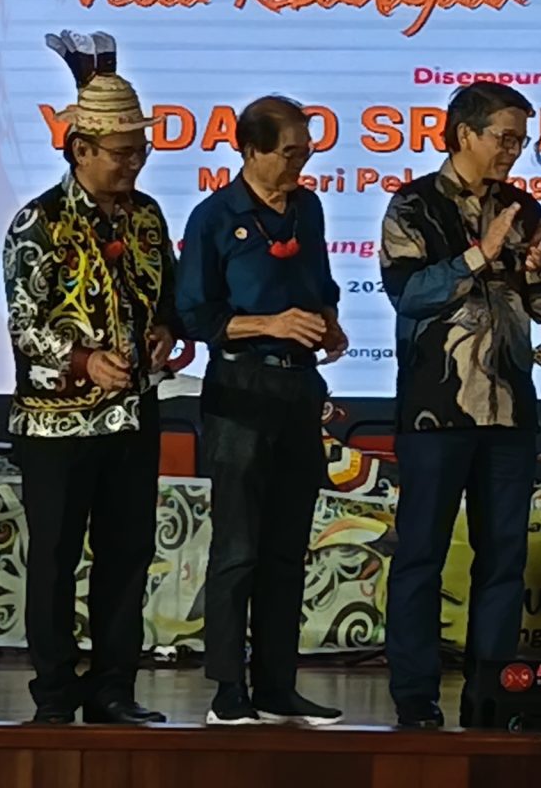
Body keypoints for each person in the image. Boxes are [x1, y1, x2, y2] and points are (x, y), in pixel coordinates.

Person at [1, 31, 187, 725]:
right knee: (53, 560)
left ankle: (114, 687)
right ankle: (54, 691)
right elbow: (24, 326)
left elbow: (164, 296)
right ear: (80, 149)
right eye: (121, 152)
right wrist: (83, 361)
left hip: (132, 414)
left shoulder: (147, 217)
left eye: (140, 151)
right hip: (55, 422)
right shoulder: (39, 223)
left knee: (126, 555)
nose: (133, 163)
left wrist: (166, 329)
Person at [380, 81, 541, 730]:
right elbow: (409, 293)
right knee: (421, 554)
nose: (513, 151)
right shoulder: (413, 205)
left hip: (510, 408)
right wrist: (480, 254)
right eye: (504, 138)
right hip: (438, 409)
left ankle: (492, 693)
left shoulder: (523, 206)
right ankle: (415, 696)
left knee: (504, 555)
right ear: (464, 134)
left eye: (521, 141)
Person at [177, 94, 349, 728]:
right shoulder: (214, 216)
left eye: (306, 152)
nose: (299, 165)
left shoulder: (308, 208)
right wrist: (269, 324)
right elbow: (194, 314)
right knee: (239, 547)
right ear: (250, 150)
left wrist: (330, 324)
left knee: (286, 547)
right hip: (240, 388)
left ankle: (278, 685)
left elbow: (321, 285)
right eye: (289, 153)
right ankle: (228, 690)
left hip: (298, 390)